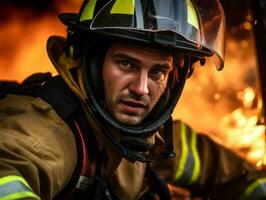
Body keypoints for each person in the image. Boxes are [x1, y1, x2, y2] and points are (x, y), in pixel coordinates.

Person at [0, 0, 266, 199]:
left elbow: (227, 171)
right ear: (91, 62)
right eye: (126, 64)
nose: (141, 89)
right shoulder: (45, 135)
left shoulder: (144, 135)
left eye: (158, 71)